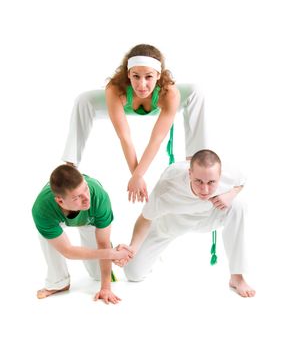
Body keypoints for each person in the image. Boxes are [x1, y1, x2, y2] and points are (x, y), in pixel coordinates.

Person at [62, 44, 207, 203]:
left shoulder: (170, 93)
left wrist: (138, 175)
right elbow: (125, 137)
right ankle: (70, 165)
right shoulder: (115, 89)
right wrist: (136, 176)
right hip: (124, 105)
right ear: (128, 74)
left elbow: (156, 139)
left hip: (159, 104)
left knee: (196, 90)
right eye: (136, 76)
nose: (141, 84)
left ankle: (196, 162)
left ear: (158, 75)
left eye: (149, 77)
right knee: (84, 99)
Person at [116, 149, 256, 298]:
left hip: (208, 217)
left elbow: (242, 182)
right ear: (190, 174)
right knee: (133, 273)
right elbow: (145, 218)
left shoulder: (229, 173)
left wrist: (230, 195)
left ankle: (237, 277)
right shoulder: (167, 186)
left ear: (220, 176)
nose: (205, 189)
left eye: (211, 182)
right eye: (199, 181)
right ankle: (154, 256)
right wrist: (132, 248)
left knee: (238, 206)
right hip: (170, 226)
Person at [32, 164, 133, 303]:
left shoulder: (98, 196)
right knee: (46, 237)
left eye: (85, 188)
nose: (86, 198)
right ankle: (59, 283)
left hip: (89, 219)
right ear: (60, 201)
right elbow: (68, 251)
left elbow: (103, 243)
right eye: (77, 197)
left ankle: (102, 277)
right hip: (56, 218)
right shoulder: (42, 209)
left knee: (98, 275)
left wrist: (105, 288)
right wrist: (111, 253)